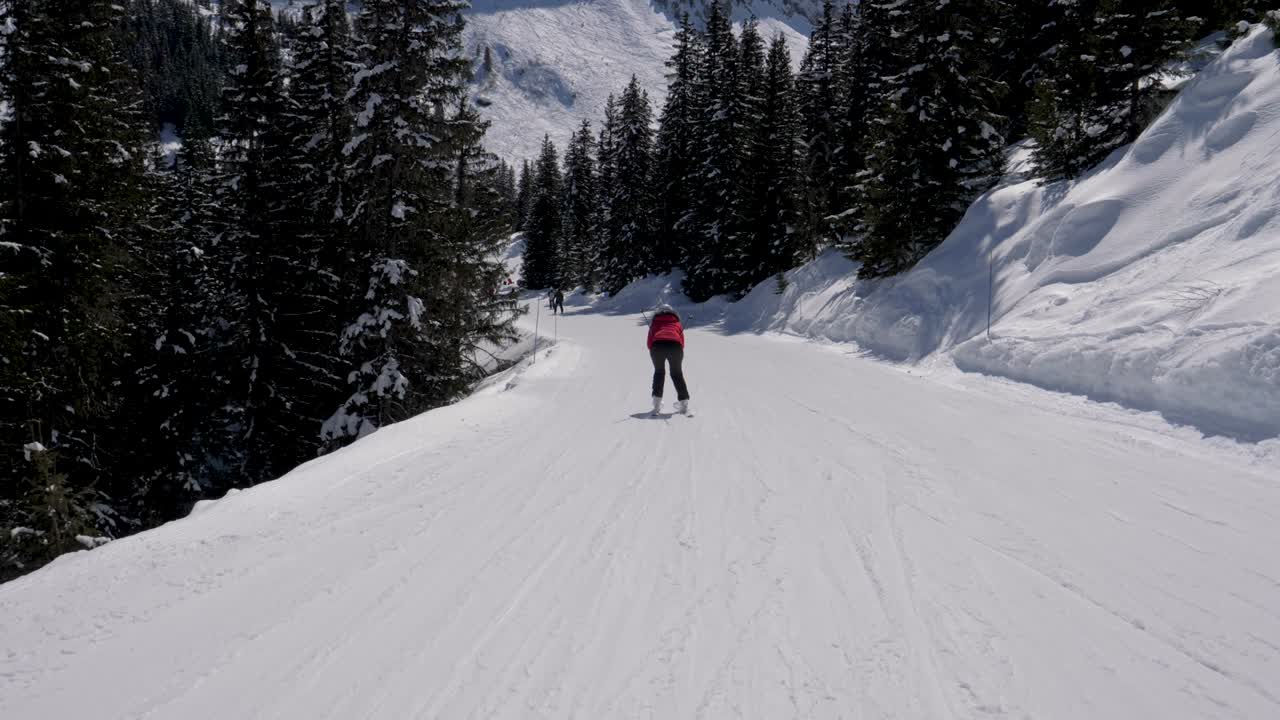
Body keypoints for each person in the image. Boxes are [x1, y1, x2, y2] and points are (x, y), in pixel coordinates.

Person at [646, 303, 690, 414]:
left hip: (657, 346)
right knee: (677, 373)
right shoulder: (677, 323)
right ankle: (684, 403)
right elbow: (682, 341)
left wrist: (653, 350)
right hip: (675, 346)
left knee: (659, 372)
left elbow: (649, 341)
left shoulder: (654, 322)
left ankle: (656, 404)